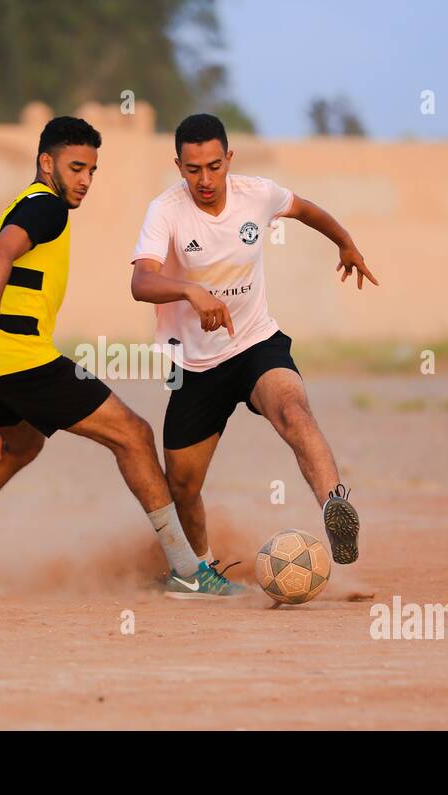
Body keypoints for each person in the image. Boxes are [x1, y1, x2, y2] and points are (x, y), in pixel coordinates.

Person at [0, 116, 245, 600]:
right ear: (47, 163)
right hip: (19, 356)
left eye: (92, 170)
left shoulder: (27, 204)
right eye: (76, 167)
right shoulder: (47, 207)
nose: (85, 180)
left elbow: (8, 270)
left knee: (21, 447)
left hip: (2, 362)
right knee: (134, 434)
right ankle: (188, 570)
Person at [129, 113, 376, 571]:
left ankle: (334, 506)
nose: (205, 179)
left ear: (229, 158)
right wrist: (188, 289)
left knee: (293, 409)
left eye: (214, 166)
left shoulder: (256, 195)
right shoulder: (165, 211)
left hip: (256, 344)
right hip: (198, 366)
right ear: (178, 166)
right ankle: (201, 570)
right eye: (193, 169)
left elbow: (305, 210)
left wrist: (345, 242)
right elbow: (141, 282)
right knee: (182, 485)